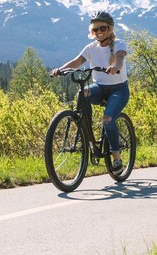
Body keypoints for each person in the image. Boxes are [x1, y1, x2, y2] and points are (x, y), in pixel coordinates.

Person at [50, 11, 129, 170]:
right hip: (99, 88)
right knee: (82, 93)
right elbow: (77, 61)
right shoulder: (91, 47)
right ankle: (86, 133)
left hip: (119, 91)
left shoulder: (119, 44)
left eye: (103, 28)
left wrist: (115, 67)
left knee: (107, 118)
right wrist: (60, 70)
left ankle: (116, 158)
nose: (99, 32)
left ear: (110, 29)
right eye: (95, 29)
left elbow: (119, 58)